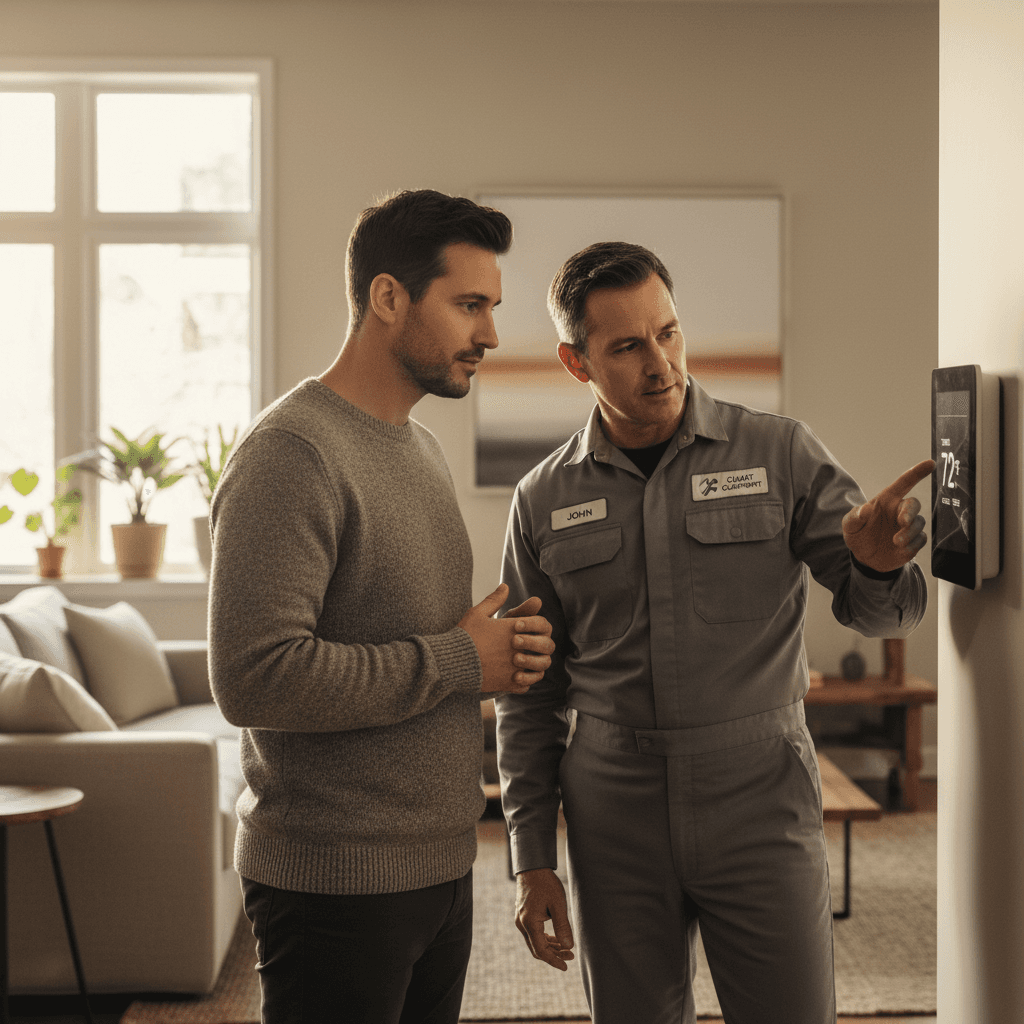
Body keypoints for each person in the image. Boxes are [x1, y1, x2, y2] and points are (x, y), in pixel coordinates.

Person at [494, 241, 933, 1024]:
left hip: (759, 798)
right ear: (576, 361)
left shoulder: (781, 453)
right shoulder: (541, 498)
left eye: (668, 332)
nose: (659, 363)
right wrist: (532, 858)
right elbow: (528, 692)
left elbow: (889, 612)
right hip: (613, 811)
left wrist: (873, 568)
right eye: (626, 346)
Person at [208, 189, 556, 1024]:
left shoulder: (420, 448)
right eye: (469, 304)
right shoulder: (291, 454)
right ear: (388, 298)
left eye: (494, 307)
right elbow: (254, 679)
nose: (492, 334)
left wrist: (497, 652)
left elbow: (421, 643)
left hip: (437, 868)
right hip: (334, 884)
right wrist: (463, 660)